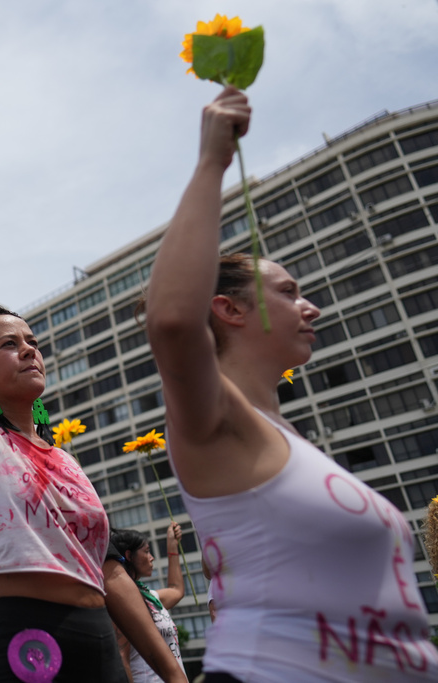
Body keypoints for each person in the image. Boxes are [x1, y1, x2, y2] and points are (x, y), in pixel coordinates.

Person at [144, 86, 438, 681]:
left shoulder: (287, 440)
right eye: (288, 292)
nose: (313, 308)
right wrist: (212, 162)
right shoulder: (219, 422)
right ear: (227, 310)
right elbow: (173, 321)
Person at [0, 170, 186, 683]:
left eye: (32, 341)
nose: (30, 350)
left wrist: (175, 676)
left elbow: (110, 576)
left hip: (101, 645)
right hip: (24, 643)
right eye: (10, 344)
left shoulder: (67, 461)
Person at [110, 523, 186, 682]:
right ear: (129, 556)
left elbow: (176, 589)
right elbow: (122, 658)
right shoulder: (123, 604)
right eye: (146, 551)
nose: (151, 557)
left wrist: (172, 545)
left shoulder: (150, 597)